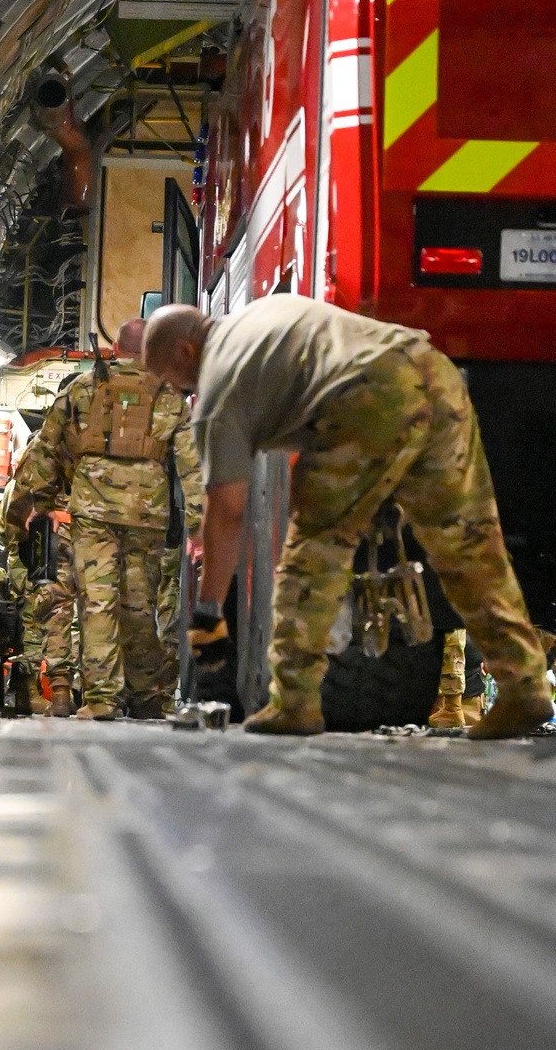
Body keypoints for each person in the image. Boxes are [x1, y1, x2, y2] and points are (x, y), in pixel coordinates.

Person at [142, 296, 551, 740]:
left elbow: (227, 512)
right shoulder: (263, 313)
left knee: (312, 553)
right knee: (468, 544)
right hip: (435, 372)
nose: (177, 389)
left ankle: (294, 702)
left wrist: (206, 611)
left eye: (168, 376)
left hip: (367, 398)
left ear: (184, 351)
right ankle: (522, 686)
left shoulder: (217, 385)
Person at [11, 319, 202, 719]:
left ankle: (102, 699)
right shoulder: (170, 396)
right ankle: (148, 695)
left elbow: (47, 449)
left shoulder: (81, 389)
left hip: (92, 512)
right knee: (137, 605)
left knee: (97, 603)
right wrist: (200, 525)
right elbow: (191, 465)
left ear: (115, 348)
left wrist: (38, 505)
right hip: (146, 514)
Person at [0, 448, 77, 717]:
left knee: (35, 621)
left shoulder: (20, 487)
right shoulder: (31, 490)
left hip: (29, 557)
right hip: (31, 560)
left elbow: (8, 525)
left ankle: (33, 691)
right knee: (31, 625)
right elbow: (13, 527)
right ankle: (27, 691)